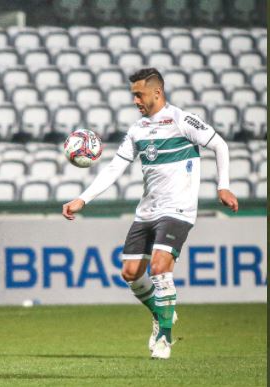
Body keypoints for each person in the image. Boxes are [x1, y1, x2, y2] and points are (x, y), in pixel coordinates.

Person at [62, 68, 238, 359]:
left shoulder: (182, 120)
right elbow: (115, 167)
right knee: (130, 273)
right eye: (133, 95)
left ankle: (165, 340)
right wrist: (83, 199)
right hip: (147, 211)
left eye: (138, 94)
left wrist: (224, 187)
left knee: (159, 268)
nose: (135, 100)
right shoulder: (137, 129)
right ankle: (161, 313)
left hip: (178, 209)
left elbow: (219, 144)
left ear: (157, 92)